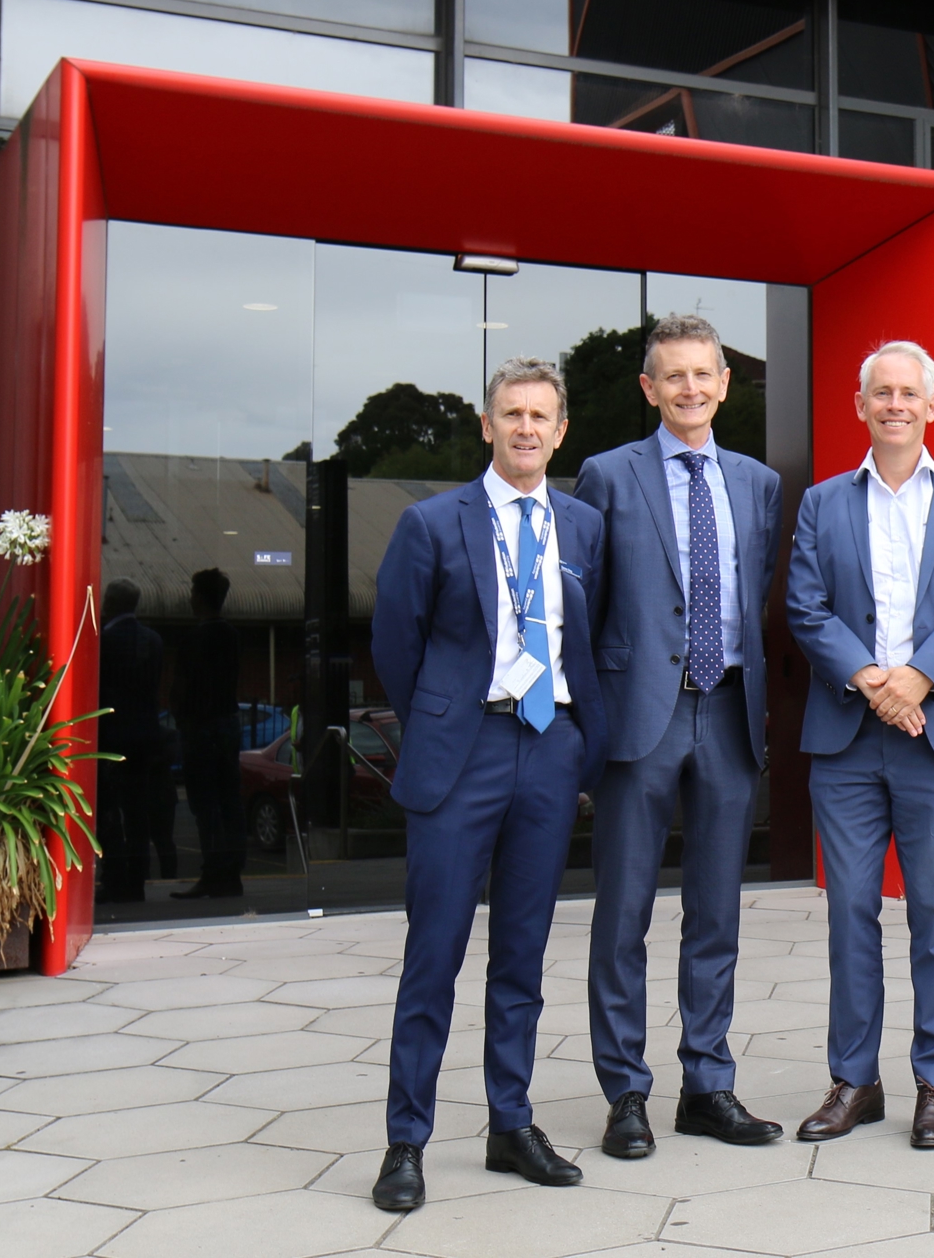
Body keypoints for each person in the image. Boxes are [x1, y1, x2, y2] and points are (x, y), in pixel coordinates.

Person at [368, 357, 608, 1211]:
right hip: (461, 753)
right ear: (487, 425)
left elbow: (592, 638)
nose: (526, 428)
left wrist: (582, 742)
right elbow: (396, 645)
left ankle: (511, 1124)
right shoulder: (432, 523)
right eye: (512, 414)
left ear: (561, 430)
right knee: (433, 956)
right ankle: (406, 1141)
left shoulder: (583, 526)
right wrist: (444, 723)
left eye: (541, 416)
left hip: (549, 750)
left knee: (522, 955)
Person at [785, 340, 934, 1150]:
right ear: (860, 405)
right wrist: (873, 681)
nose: (894, 405)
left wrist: (916, 678)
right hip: (847, 739)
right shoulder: (822, 504)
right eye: (881, 392)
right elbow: (806, 606)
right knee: (850, 911)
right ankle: (855, 1081)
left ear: (931, 406)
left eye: (908, 393)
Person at [575, 314, 785, 1158]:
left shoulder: (758, 483)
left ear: (725, 385)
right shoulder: (607, 475)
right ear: (649, 387)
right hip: (640, 719)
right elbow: (585, 607)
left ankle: (707, 1085)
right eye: (674, 375)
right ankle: (625, 1093)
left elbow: (755, 593)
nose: (690, 388)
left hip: (728, 712)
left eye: (704, 374)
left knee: (716, 914)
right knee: (623, 912)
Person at [170, 568, 245, 899]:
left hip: (200, 727)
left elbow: (181, 686)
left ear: (199, 597)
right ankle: (232, 871)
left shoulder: (192, 639)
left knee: (204, 802)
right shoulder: (232, 636)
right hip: (227, 723)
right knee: (229, 799)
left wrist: (180, 715)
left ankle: (213, 871)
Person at [96, 576, 164, 904]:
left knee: (109, 811)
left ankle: (114, 879)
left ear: (109, 603)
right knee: (138, 811)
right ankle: (137, 880)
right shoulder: (153, 640)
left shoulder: (104, 641)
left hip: (111, 737)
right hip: (145, 736)